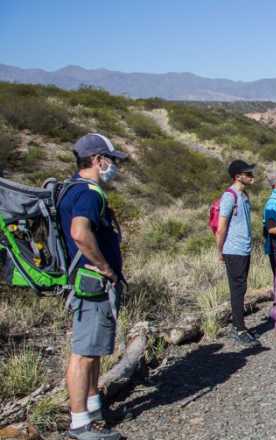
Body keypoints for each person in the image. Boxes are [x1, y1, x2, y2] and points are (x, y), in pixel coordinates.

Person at [59, 133, 128, 440]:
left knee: (94, 350)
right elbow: (79, 233)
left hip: (87, 282)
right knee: (84, 353)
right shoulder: (89, 193)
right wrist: (105, 267)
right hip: (91, 283)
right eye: (111, 160)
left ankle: (94, 409)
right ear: (98, 160)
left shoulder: (72, 188)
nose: (114, 167)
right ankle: (79, 425)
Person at [215, 159, 259, 347]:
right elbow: (221, 226)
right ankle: (238, 328)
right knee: (237, 289)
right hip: (234, 250)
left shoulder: (244, 195)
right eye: (248, 173)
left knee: (241, 288)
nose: (251, 176)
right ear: (237, 176)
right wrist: (220, 250)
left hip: (243, 249)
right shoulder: (229, 196)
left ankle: (240, 325)